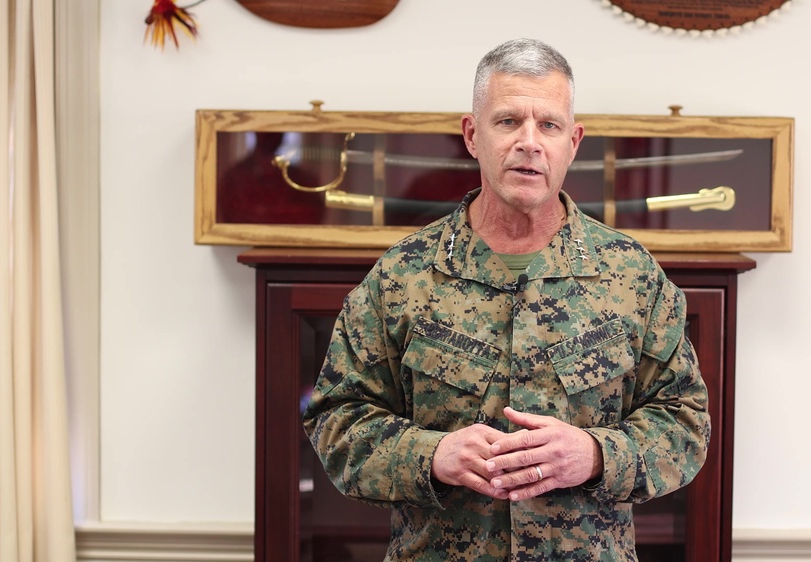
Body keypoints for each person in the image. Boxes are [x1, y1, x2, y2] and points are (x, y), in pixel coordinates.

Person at [302, 37, 710, 561]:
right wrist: (431, 455)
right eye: (508, 121)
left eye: (549, 125)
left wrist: (595, 454)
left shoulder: (632, 275)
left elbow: (685, 422)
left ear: (573, 142)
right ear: (472, 135)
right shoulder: (402, 276)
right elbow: (336, 419)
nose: (529, 142)